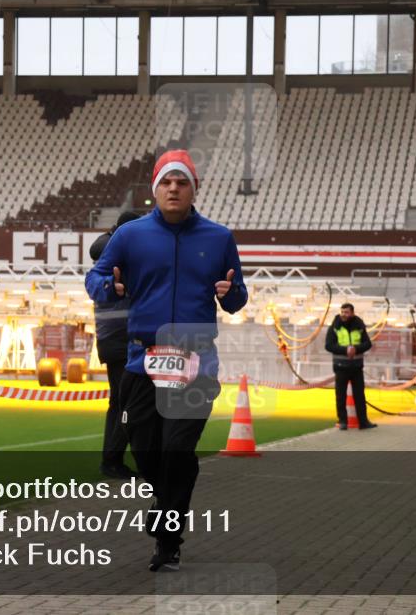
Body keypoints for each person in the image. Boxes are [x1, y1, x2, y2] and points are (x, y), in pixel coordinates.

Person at [85, 149, 247, 572]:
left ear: (195, 189)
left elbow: (238, 296)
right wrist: (109, 288)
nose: (174, 189)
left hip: (195, 359)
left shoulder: (218, 237)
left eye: (182, 182)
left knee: (177, 450)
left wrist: (230, 295)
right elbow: (95, 277)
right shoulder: (130, 235)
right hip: (142, 360)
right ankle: (163, 498)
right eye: (166, 182)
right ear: (155, 189)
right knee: (146, 451)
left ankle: (168, 540)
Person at [89, 211, 142, 480]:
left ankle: (115, 459)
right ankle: (112, 461)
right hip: (122, 340)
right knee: (125, 403)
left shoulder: (109, 255)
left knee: (123, 402)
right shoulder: (116, 255)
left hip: (115, 339)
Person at [324, 303, 376, 430]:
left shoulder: (359, 326)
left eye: (346, 312)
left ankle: (363, 422)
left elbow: (368, 344)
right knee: (340, 395)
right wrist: (345, 350)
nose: (344, 315)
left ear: (352, 313)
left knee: (360, 395)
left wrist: (356, 349)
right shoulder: (334, 327)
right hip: (340, 366)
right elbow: (328, 345)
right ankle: (343, 421)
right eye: (342, 312)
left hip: (357, 367)